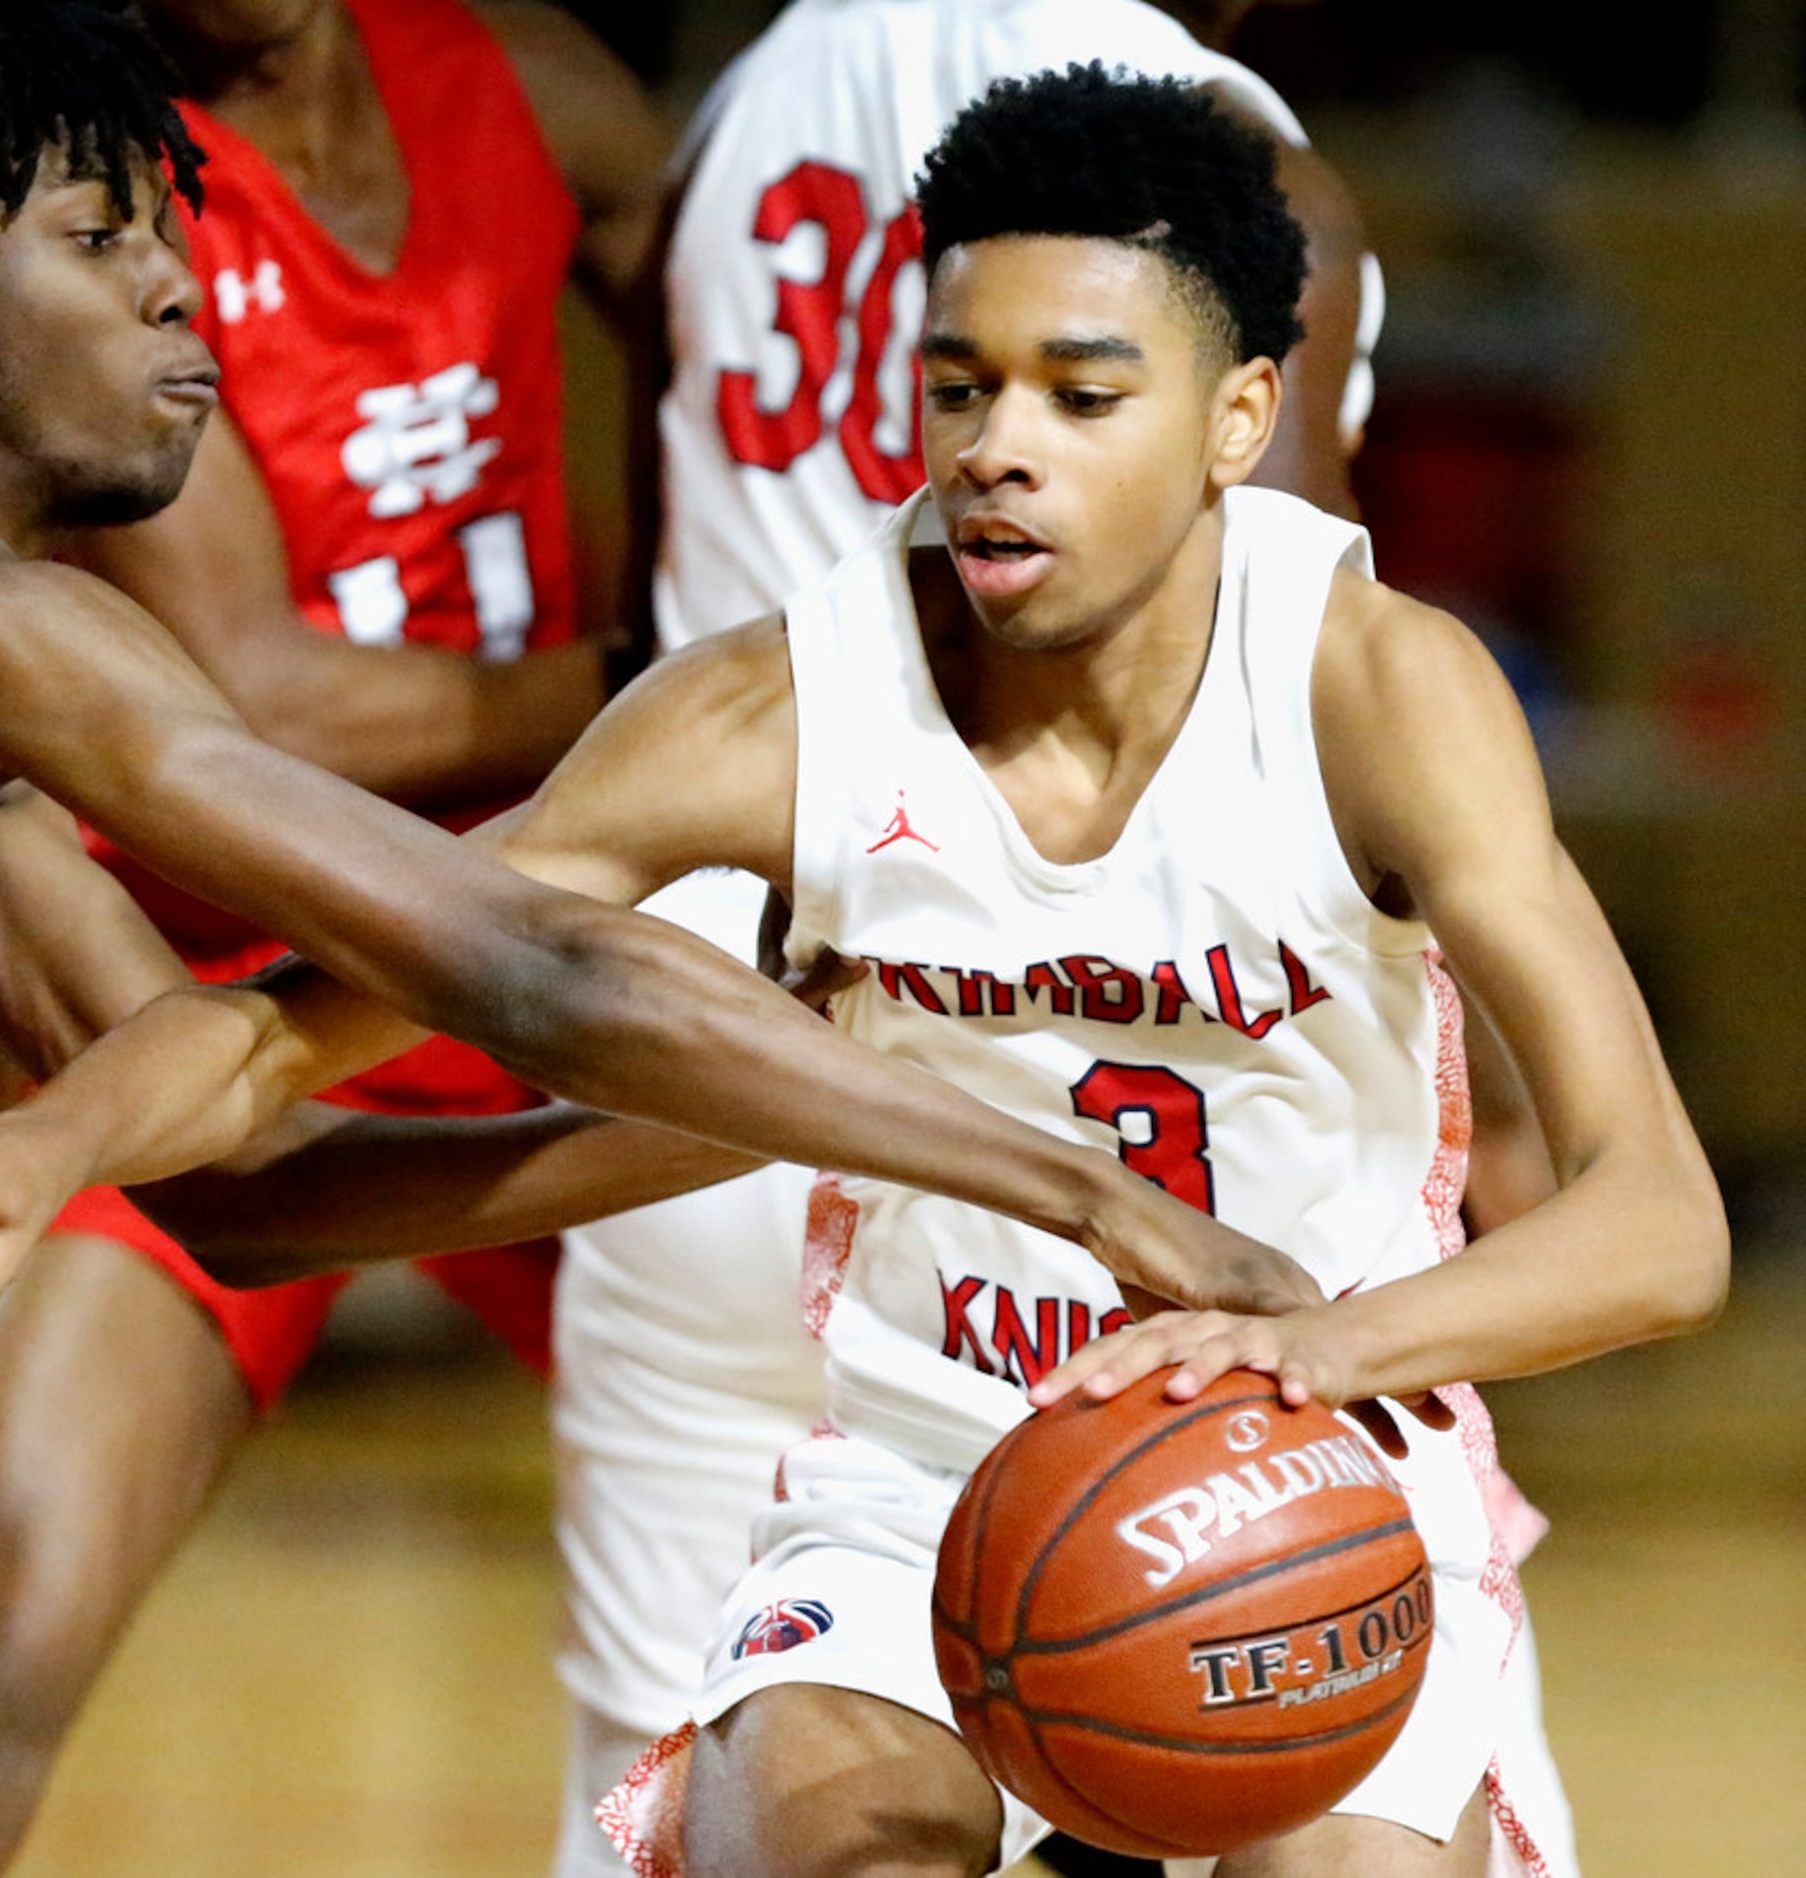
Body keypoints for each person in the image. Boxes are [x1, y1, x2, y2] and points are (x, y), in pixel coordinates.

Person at [0, 61, 1727, 1878]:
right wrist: (48, 1145)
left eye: (1081, 394)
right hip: (919, 1483)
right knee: (811, 1828)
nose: (1000, 454)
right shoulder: (778, 704)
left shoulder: (1379, 686)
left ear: (1237, 420)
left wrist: (1310, 1349)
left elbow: (1662, 1229)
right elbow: (306, 1023)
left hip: (1299, 1470)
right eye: (959, 387)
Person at [558, 6, 1390, 1869]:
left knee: (667, 1754)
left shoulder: (743, 98)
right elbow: (1280, 654)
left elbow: (642, 591)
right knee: (1339, 1738)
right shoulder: (1223, 165)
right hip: (1085, 1076)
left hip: (701, 976)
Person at [0, 5, 676, 1864]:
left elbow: (764, 347)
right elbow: (265, 714)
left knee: (908, 1541)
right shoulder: (75, 193)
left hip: (567, 912)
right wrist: (686, 676)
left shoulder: (531, 87)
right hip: (211, 979)